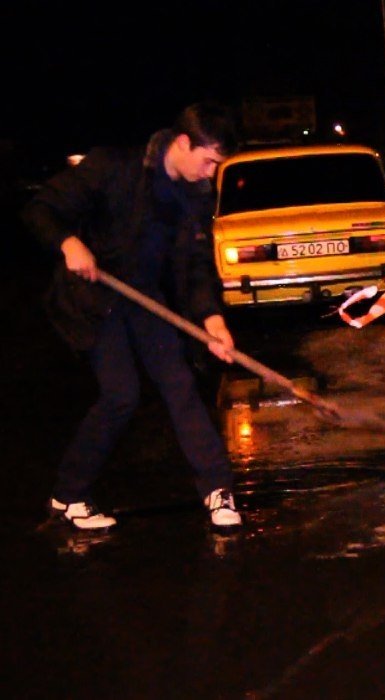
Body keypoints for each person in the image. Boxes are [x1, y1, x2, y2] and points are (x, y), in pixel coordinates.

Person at [22, 102, 243, 532]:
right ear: (183, 143)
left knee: (180, 385)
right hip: (95, 297)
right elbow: (40, 210)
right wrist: (68, 242)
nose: (210, 172)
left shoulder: (197, 196)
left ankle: (218, 490)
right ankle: (68, 495)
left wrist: (212, 320)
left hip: (145, 300)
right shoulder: (113, 167)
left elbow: (197, 263)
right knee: (121, 394)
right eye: (209, 161)